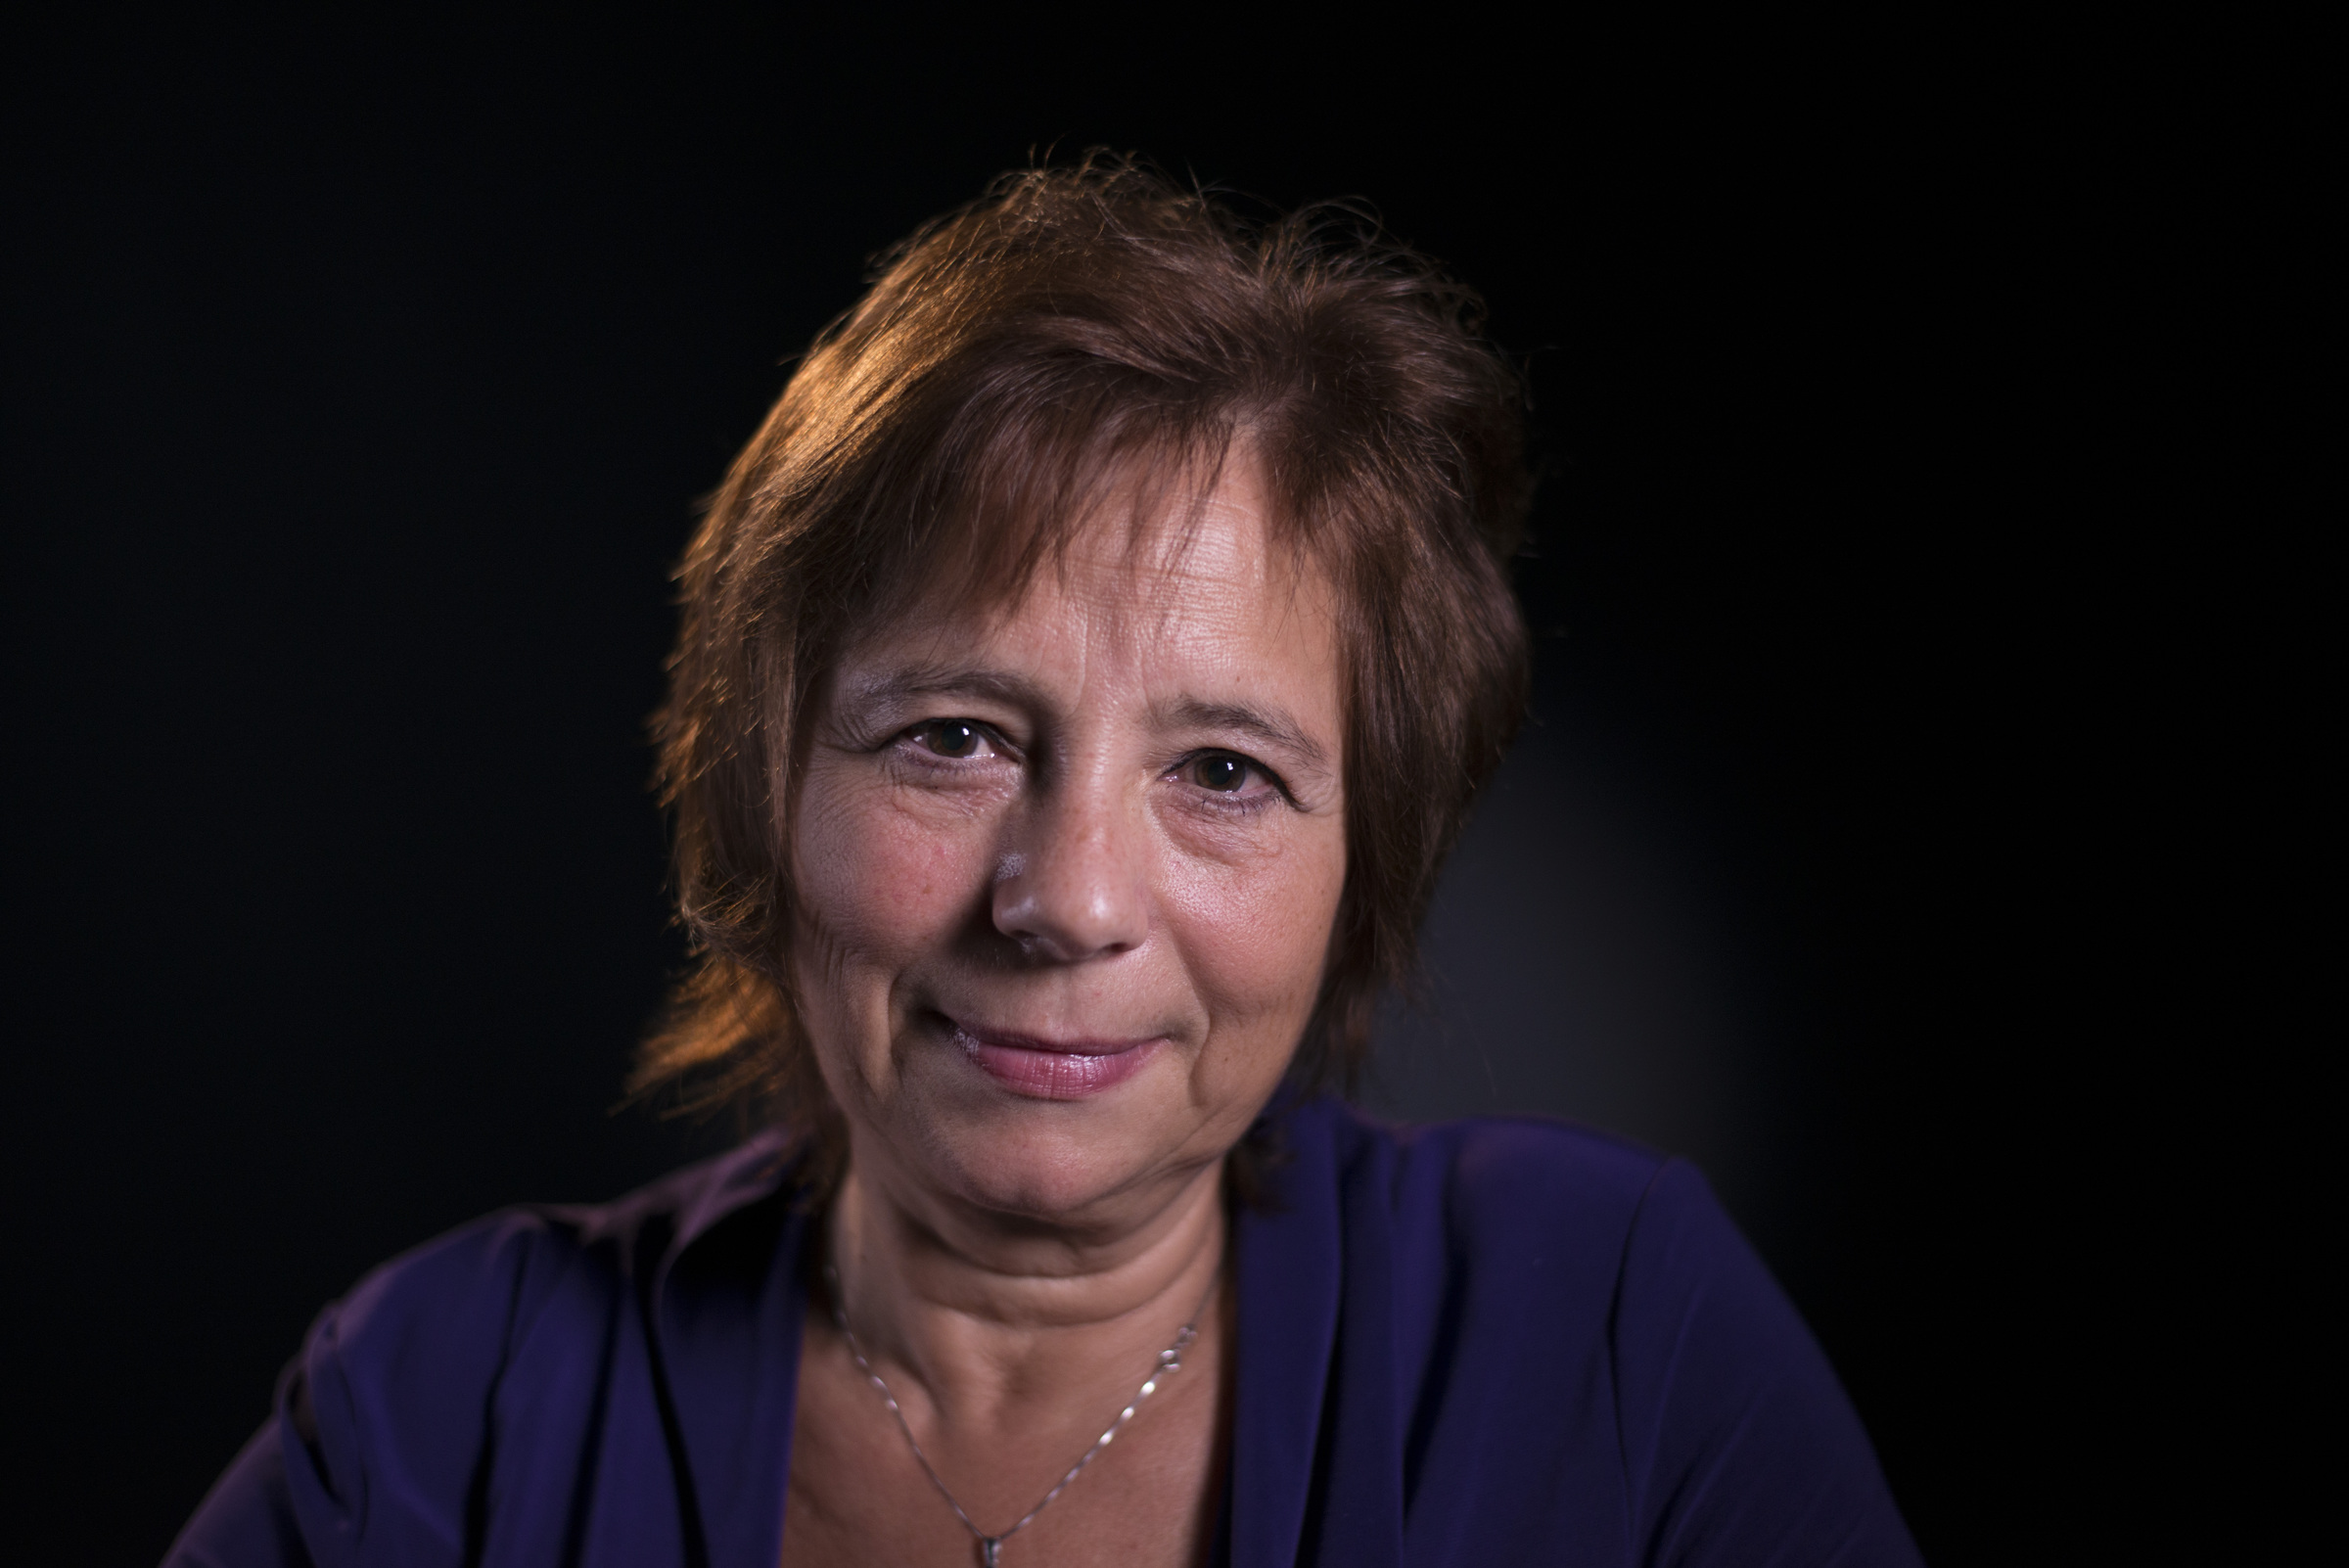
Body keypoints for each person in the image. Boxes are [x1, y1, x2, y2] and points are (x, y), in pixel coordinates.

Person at [166, 158, 1920, 1567]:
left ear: (1362, 862)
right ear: (763, 780)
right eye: (956, 737)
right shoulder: (440, 1410)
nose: (1068, 901)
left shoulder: (1616, 1338)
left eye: (1223, 772)